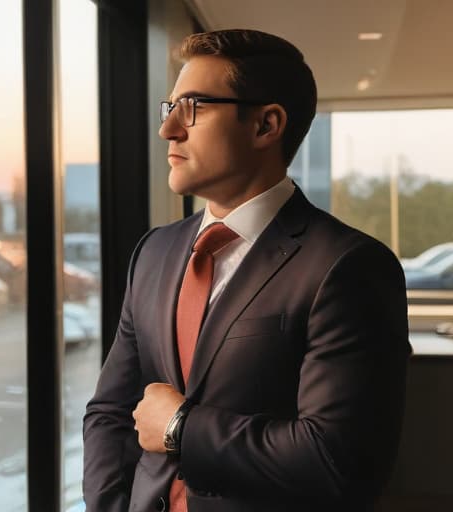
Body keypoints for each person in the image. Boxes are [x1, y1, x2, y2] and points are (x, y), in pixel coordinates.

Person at [83, 29, 411, 512]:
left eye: (192, 106)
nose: (169, 128)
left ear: (266, 125)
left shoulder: (348, 266)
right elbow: (110, 412)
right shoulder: (154, 251)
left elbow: (340, 461)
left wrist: (180, 428)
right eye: (168, 107)